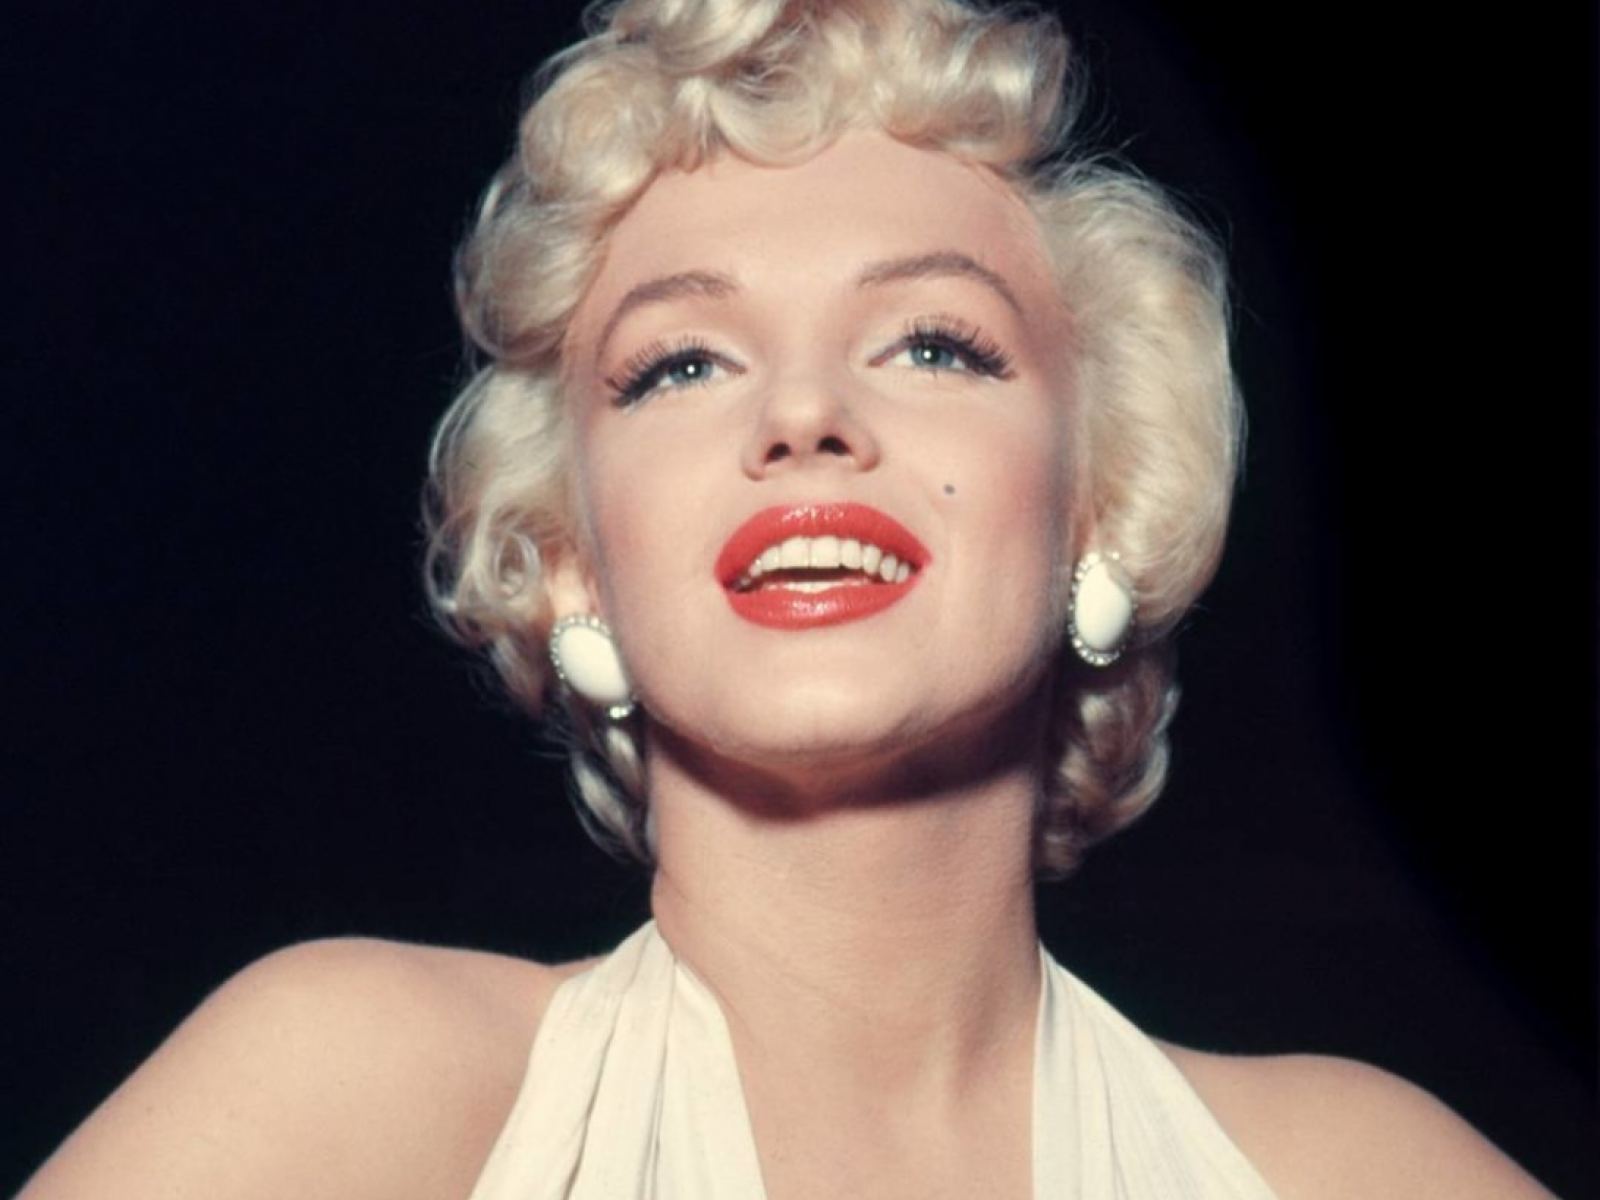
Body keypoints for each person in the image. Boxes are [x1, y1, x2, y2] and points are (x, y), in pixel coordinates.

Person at [18, 0, 1556, 1197]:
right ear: (569, 554)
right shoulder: (358, 1088)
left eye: (935, 343)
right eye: (681, 364)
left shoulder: (1348, 1167)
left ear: (1103, 505)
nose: (804, 415)